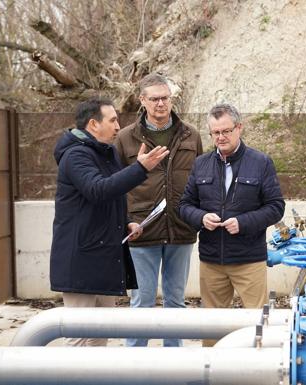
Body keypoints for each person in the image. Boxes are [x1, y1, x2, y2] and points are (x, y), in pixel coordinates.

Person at [50, 97, 169, 347]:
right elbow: (98, 190)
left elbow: (110, 198)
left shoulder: (107, 153)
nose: (118, 126)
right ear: (93, 124)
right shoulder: (75, 156)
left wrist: (126, 222)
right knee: (80, 338)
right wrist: (140, 168)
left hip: (103, 257)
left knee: (100, 337)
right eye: (113, 120)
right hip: (81, 262)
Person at [114, 74, 203, 347]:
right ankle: (134, 365)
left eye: (165, 98)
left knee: (176, 301)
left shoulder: (191, 134)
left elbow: (201, 180)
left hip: (180, 229)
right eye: (154, 99)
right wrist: (128, 221)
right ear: (143, 101)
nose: (161, 104)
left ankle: (172, 363)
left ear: (171, 99)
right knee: (142, 301)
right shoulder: (125, 138)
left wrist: (196, 217)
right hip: (142, 230)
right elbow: (115, 185)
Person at [179, 103, 285, 310]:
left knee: (257, 323)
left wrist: (243, 222)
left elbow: (275, 207)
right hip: (211, 262)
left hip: (249, 261)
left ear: (239, 128)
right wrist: (201, 218)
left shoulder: (261, 162)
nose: (221, 137)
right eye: (215, 132)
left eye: (226, 131)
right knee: (212, 327)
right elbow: (184, 205)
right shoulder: (201, 164)